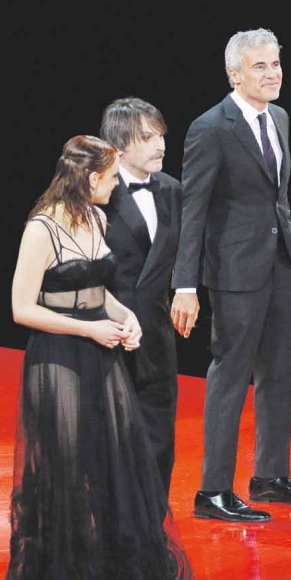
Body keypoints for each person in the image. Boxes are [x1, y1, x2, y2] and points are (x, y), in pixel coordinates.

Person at [5, 135, 197, 580]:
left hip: (102, 356)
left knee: (112, 468)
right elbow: (22, 309)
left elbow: (99, 290)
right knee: (68, 474)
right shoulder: (41, 229)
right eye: (111, 177)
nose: (116, 186)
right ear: (91, 178)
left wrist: (125, 316)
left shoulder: (96, 217)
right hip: (58, 360)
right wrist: (89, 329)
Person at [172, 28, 291, 522]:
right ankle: (213, 490)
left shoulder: (279, 117)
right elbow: (194, 210)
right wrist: (185, 284)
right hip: (235, 269)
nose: (272, 74)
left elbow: (275, 195)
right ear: (234, 74)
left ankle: (270, 477)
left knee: (279, 371)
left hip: (282, 261)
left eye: (275, 64)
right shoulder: (210, 128)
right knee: (231, 373)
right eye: (260, 66)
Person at [99, 97, 182, 497]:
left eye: (161, 136)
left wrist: (187, 289)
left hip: (157, 332)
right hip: (107, 333)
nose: (160, 145)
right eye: (147, 137)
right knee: (108, 436)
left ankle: (152, 520)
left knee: (159, 437)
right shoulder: (97, 191)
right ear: (119, 146)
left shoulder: (172, 190)